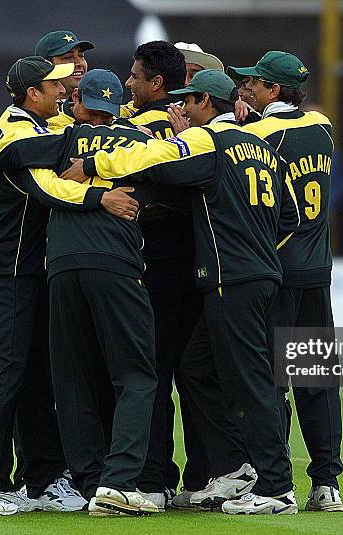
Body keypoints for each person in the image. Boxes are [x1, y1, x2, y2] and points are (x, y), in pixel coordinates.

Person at [62, 69, 300, 515]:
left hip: (231, 279)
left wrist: (92, 165)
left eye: (190, 102)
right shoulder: (266, 149)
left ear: (208, 105)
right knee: (196, 364)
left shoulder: (208, 141)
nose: (182, 110)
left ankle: (277, 488)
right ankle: (234, 471)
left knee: (251, 383)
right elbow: (289, 218)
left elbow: (149, 158)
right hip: (265, 275)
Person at [0, 69, 169, 517]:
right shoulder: (140, 141)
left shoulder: (61, 139)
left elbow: (38, 184)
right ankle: (119, 483)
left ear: (79, 102)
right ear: (120, 103)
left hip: (60, 266)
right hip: (118, 264)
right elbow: (176, 177)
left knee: (71, 379)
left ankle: (85, 482)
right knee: (137, 377)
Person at [0, 56, 128, 515]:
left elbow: (62, 145)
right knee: (4, 371)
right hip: (1, 268)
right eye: (55, 87)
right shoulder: (18, 134)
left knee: (26, 373)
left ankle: (39, 479)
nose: (65, 92)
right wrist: (99, 193)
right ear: (33, 93)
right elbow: (46, 187)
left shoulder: (35, 129)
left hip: (19, 269)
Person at [228, 51, 343, 512]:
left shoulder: (258, 135)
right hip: (318, 273)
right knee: (317, 382)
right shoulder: (323, 129)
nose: (246, 90)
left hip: (277, 272)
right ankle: (327, 484)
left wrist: (240, 123)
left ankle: (273, 484)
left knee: (270, 382)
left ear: (274, 91)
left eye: (255, 84)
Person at [118, 40, 209, 510]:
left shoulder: (146, 128)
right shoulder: (202, 132)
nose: (128, 84)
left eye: (134, 76)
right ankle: (203, 477)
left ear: (158, 83)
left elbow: (137, 181)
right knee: (194, 377)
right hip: (199, 267)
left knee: (148, 374)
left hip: (156, 266)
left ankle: (153, 480)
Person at [35, 30, 94, 99]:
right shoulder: (32, 108)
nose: (79, 63)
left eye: (81, 56)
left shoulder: (98, 106)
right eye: (68, 57)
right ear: (46, 66)